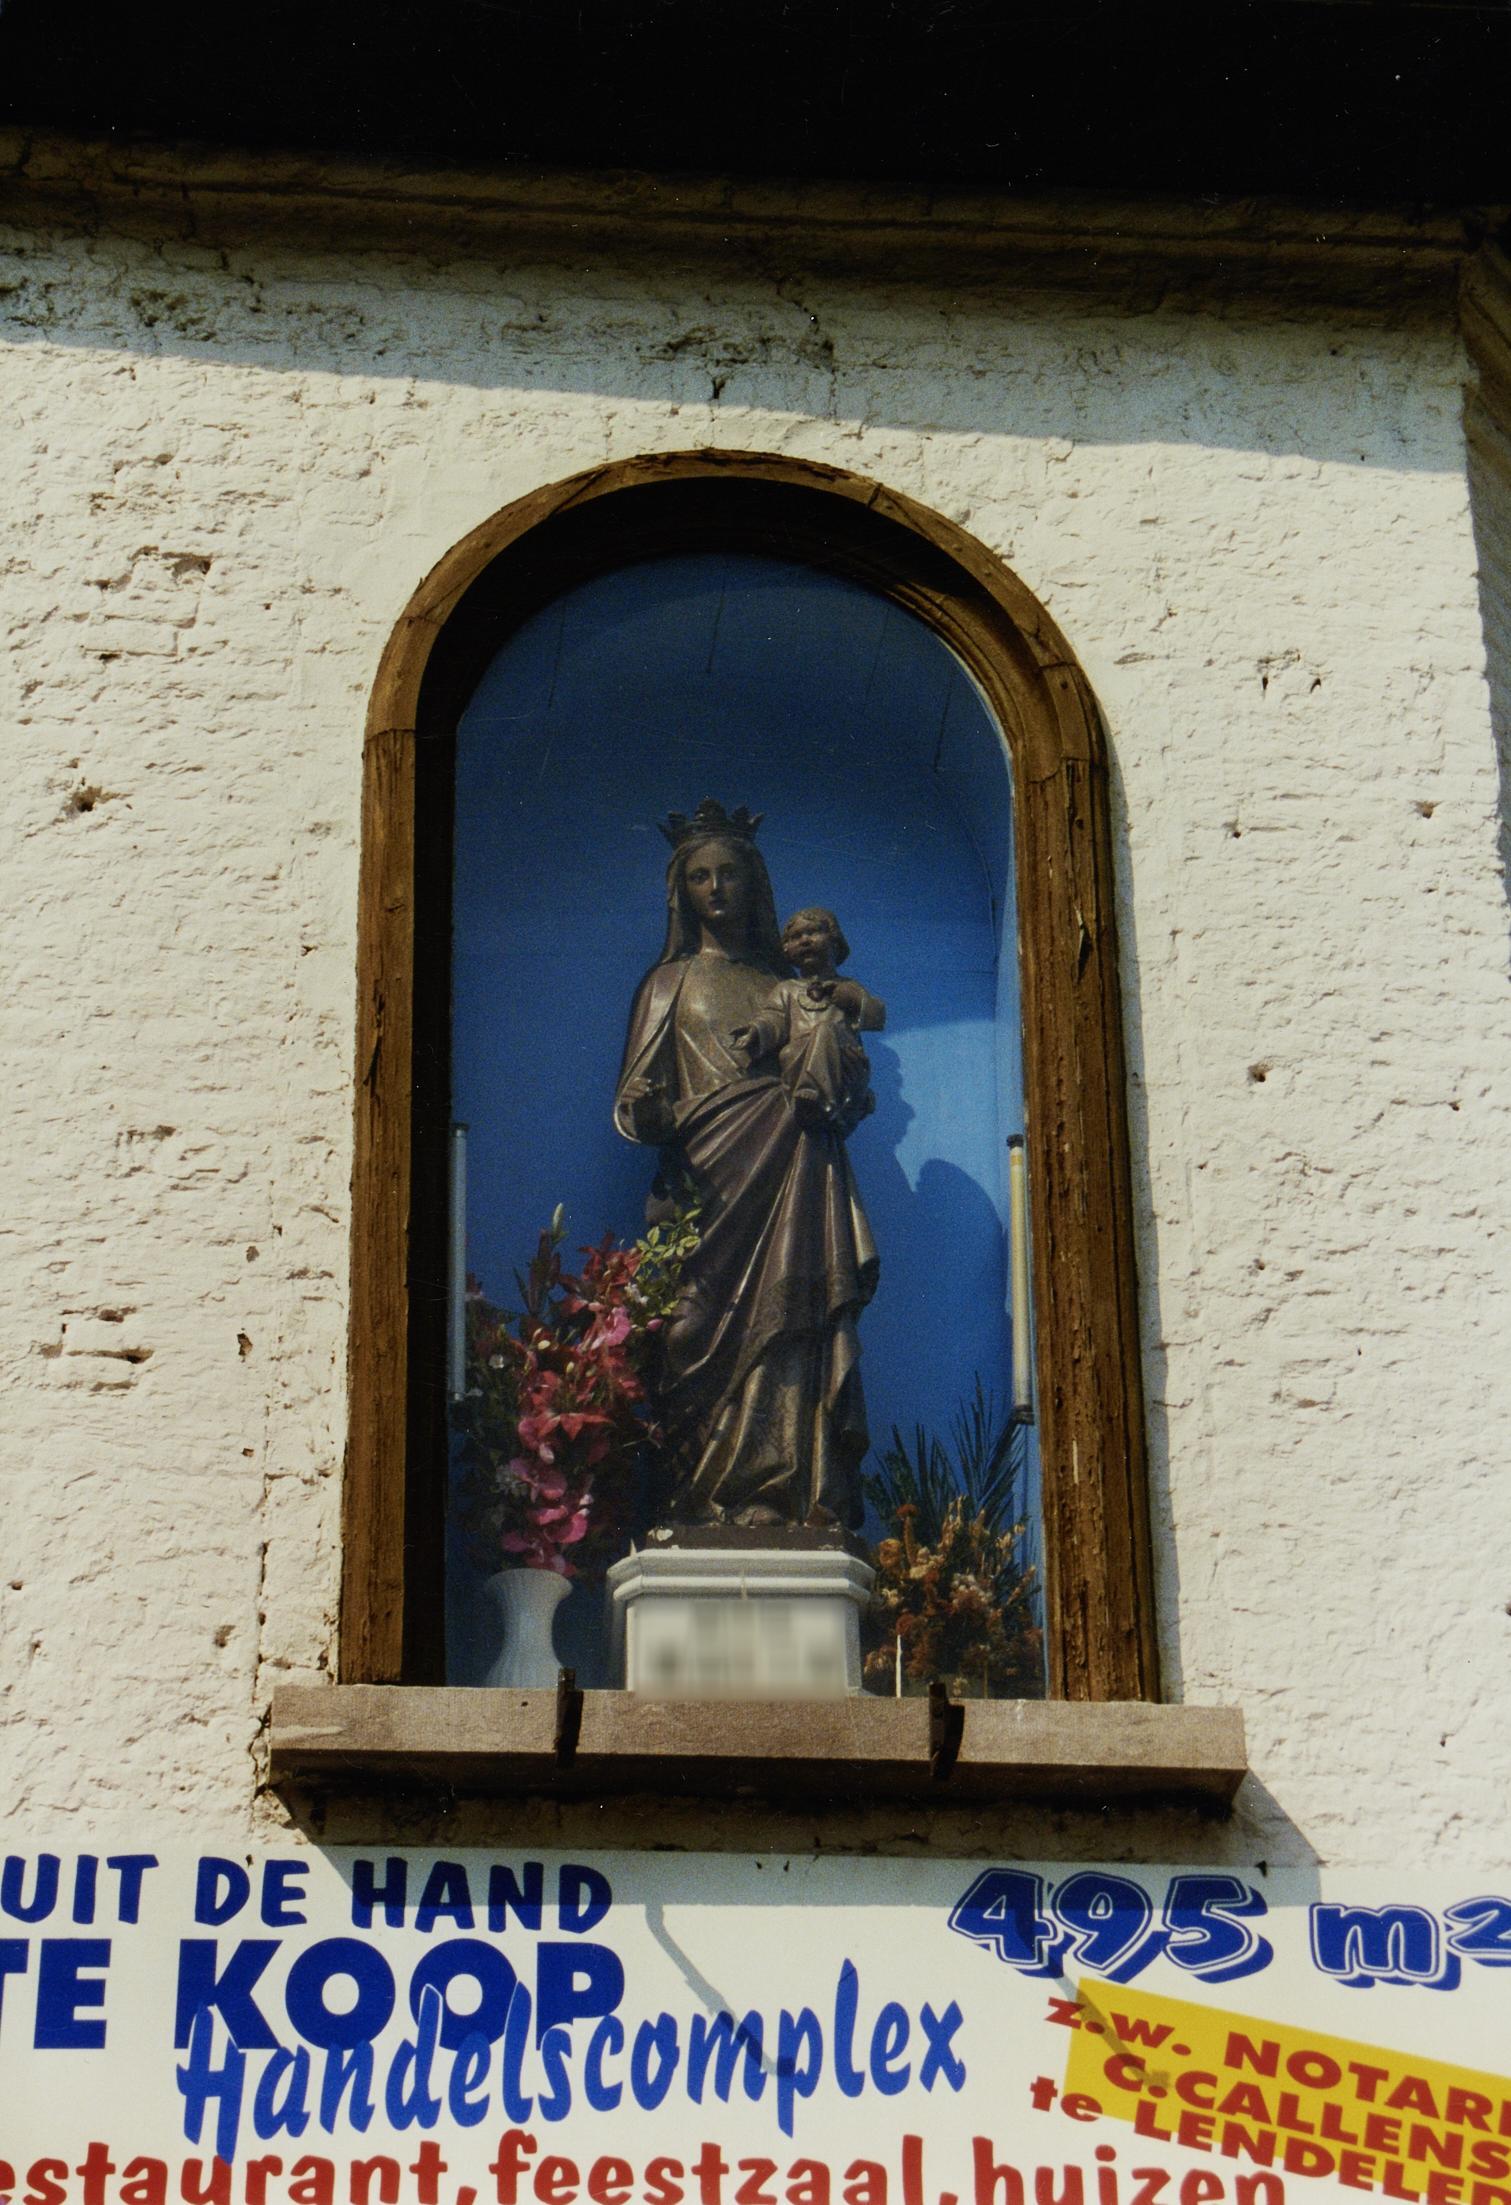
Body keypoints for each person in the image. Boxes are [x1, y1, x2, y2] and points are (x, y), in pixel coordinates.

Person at [614, 802, 878, 1530]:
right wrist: (649, 1109)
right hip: (708, 1181)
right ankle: (695, 1497)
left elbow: (845, 1077)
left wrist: (838, 1081)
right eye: (700, 877)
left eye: (729, 874)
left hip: (792, 1165)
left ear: (754, 884)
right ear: (682, 892)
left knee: (792, 1319)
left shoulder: (787, 985)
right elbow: (637, 1099)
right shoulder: (668, 983)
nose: (716, 889)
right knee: (690, 1330)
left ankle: (785, 1487)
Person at [732, 905, 886, 1138]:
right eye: (796, 937)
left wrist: (855, 1001)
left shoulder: (849, 986)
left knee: (825, 1031)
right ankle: (810, 1098)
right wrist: (756, 1031)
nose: (805, 940)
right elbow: (773, 1017)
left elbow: (877, 1016)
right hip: (798, 1059)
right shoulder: (787, 989)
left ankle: (817, 1096)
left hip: (841, 1061)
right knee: (810, 1040)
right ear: (787, 948)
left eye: (813, 932)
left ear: (834, 940)